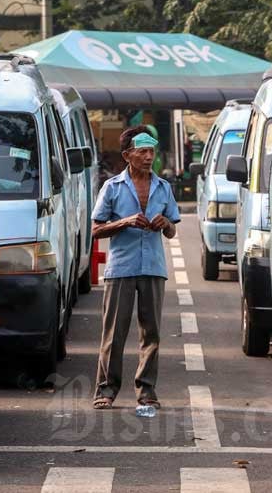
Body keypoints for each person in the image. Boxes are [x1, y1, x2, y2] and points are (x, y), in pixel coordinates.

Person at [91, 125, 180, 410]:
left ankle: (146, 390)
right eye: (142, 151)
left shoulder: (163, 187)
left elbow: (171, 231)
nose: (148, 156)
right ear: (128, 155)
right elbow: (96, 230)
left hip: (153, 267)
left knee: (151, 333)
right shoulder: (112, 187)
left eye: (151, 151)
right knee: (114, 333)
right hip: (121, 268)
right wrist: (125, 222)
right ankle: (106, 389)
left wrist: (165, 224)